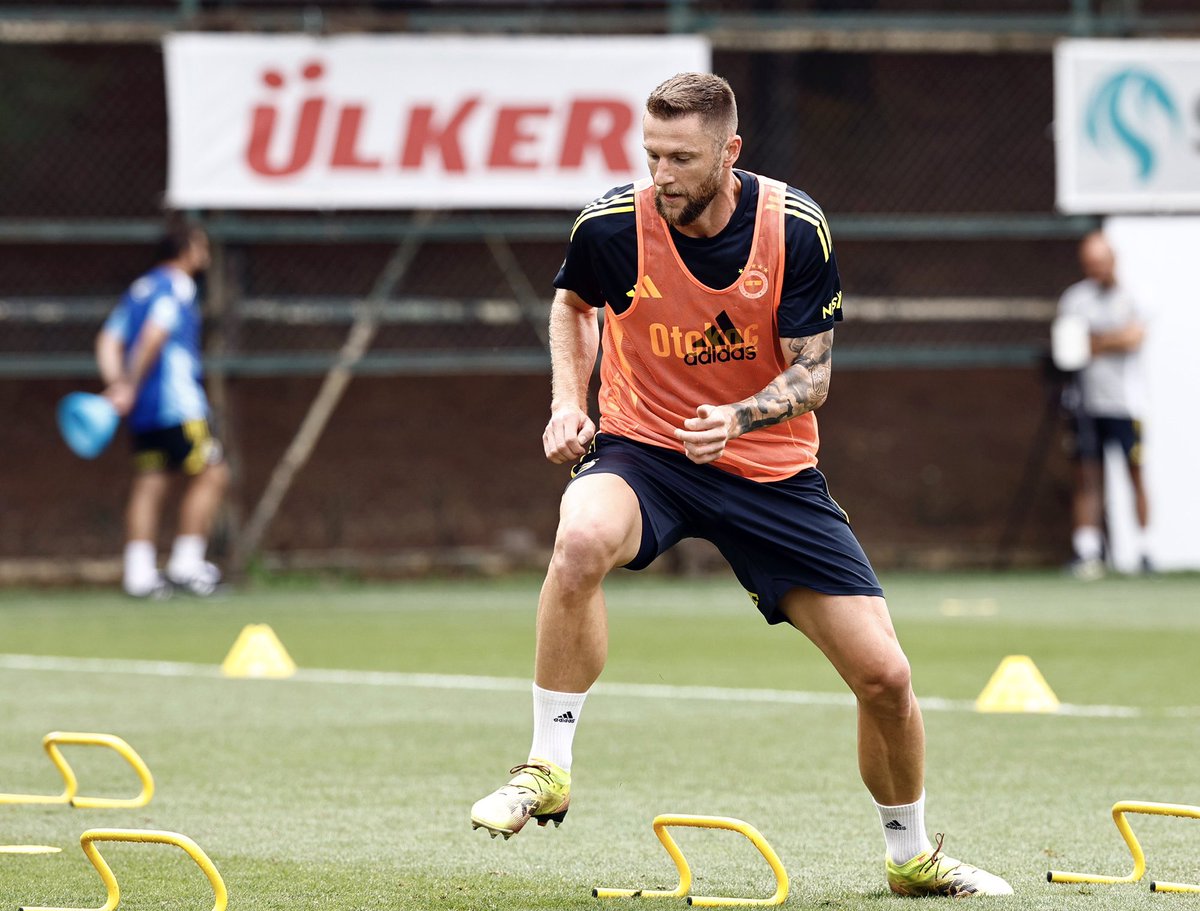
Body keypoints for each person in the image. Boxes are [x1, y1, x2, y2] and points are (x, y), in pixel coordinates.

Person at [470, 73, 1011, 898]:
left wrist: (739, 415)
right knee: (579, 536)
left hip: (770, 469)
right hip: (644, 449)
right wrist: (565, 406)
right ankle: (547, 762)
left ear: (730, 152)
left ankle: (909, 855)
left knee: (887, 678)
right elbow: (574, 304)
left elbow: (814, 375)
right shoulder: (613, 224)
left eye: (682, 157)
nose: (662, 174)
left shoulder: (795, 227)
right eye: (651, 154)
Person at [95, 220, 229, 598]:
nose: (205, 254)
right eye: (201, 246)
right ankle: (186, 565)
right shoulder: (177, 285)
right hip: (177, 405)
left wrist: (118, 385)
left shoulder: (140, 289)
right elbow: (155, 334)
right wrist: (131, 383)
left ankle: (138, 575)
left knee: (150, 483)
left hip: (143, 412)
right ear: (186, 249)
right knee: (213, 474)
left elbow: (107, 339)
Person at [1057, 231, 1150, 579]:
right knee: (1086, 476)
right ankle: (1088, 551)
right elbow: (1069, 347)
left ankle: (1144, 550)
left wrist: (1096, 341)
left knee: (1134, 473)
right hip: (1086, 404)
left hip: (1127, 405)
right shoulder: (1076, 299)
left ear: (1113, 260)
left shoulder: (1135, 294)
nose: (1095, 270)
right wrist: (1109, 340)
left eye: (1100, 262)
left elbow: (1133, 338)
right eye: (1089, 264)